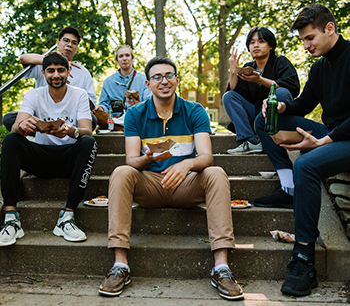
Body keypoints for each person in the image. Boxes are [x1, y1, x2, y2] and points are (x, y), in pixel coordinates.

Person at [99, 57, 244, 300]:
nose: (164, 81)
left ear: (177, 80)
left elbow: (206, 157)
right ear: (148, 84)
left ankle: (221, 267)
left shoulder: (195, 110)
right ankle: (120, 264)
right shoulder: (135, 114)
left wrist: (187, 164)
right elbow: (131, 161)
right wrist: (147, 159)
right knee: (121, 172)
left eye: (169, 76)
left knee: (216, 173)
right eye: (157, 77)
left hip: (186, 186)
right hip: (150, 186)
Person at [254, 4, 350, 296]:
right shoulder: (320, 66)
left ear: (329, 28)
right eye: (302, 40)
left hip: (344, 136)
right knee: (264, 119)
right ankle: (285, 183)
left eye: (310, 38)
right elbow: (304, 104)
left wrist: (325, 141)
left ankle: (304, 257)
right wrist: (281, 107)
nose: (306, 45)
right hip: (333, 133)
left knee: (306, 166)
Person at [0, 52, 98, 247]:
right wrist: (23, 125)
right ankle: (11, 217)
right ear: (43, 73)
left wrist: (72, 131)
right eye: (51, 71)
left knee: (88, 143)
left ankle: (67, 216)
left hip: (69, 159)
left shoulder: (79, 94)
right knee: (11, 140)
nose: (56, 75)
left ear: (68, 72)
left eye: (61, 70)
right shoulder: (34, 95)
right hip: (41, 157)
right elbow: (14, 126)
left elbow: (87, 130)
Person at [3, 26, 98, 130]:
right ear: (58, 43)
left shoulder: (83, 72)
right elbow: (23, 58)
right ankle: (40, 131)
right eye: (66, 40)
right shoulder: (41, 64)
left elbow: (91, 105)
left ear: (76, 48)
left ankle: (61, 131)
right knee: (9, 118)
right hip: (41, 118)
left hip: (69, 119)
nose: (69, 45)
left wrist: (71, 95)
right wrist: (51, 60)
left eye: (74, 43)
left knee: (92, 119)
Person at [223, 26, 300, 154]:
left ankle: (271, 136)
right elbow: (235, 92)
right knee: (228, 96)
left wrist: (260, 80)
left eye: (261, 41)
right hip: (255, 116)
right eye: (252, 42)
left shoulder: (281, 62)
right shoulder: (248, 67)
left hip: (278, 117)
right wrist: (233, 71)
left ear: (270, 45)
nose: (256, 45)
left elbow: (292, 88)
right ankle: (250, 141)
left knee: (281, 92)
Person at [93, 45, 152, 130]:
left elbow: (149, 103)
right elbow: (104, 105)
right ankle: (126, 128)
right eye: (121, 56)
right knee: (95, 114)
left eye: (127, 55)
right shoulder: (108, 82)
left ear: (132, 58)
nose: (124, 58)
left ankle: (122, 128)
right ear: (117, 60)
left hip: (136, 116)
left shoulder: (144, 80)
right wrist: (100, 108)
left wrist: (138, 106)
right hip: (115, 119)